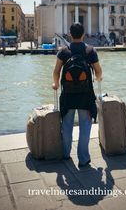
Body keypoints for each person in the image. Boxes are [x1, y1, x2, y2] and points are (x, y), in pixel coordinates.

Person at [52, 22, 102, 167]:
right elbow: (98, 71)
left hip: (68, 95)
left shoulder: (63, 51)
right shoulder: (90, 51)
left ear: (69, 34)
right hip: (86, 96)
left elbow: (56, 72)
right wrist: (98, 78)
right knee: (85, 127)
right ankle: (83, 159)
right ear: (83, 34)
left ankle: (66, 154)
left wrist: (55, 84)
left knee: (66, 126)